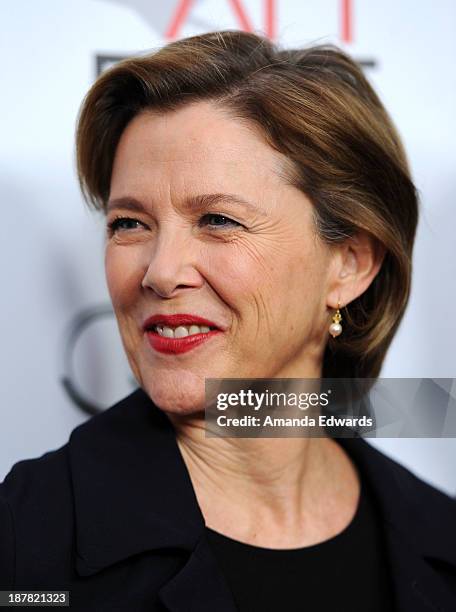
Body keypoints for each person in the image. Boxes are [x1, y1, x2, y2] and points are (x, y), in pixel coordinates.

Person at [1, 30, 455, 611]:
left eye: (217, 219)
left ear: (349, 263)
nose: (160, 273)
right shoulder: (25, 545)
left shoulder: (440, 541)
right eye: (128, 224)